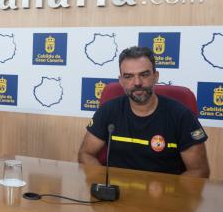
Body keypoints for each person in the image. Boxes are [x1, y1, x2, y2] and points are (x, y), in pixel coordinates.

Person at [78, 46, 210, 178]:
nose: (137, 82)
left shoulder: (182, 116)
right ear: (121, 81)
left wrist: (171, 196)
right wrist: (104, 186)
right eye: (128, 76)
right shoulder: (108, 110)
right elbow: (86, 154)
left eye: (144, 75)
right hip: (116, 194)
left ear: (156, 76)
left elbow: (199, 171)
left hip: (162, 195)